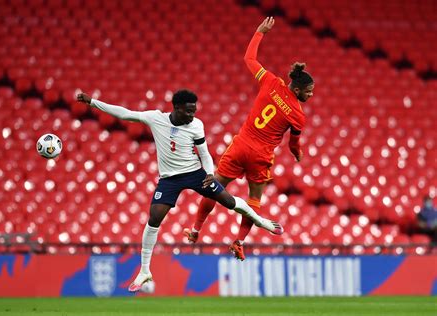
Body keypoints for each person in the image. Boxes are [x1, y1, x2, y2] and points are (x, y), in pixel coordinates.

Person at [76, 90, 282, 292]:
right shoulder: (155, 119)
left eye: (194, 111)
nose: (192, 115)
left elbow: (205, 154)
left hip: (194, 173)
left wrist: (210, 172)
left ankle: (260, 221)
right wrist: (93, 102)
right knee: (154, 217)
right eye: (188, 111)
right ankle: (144, 271)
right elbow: (124, 113)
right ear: (176, 108)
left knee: (228, 202)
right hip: (169, 179)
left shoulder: (196, 125)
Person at [183, 17, 315, 261]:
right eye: (308, 91)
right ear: (296, 90)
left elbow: (249, 59)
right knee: (254, 198)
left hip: (241, 145)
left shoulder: (271, 82)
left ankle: (195, 229)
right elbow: (293, 143)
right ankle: (239, 241)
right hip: (260, 156)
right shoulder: (298, 115)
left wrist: (259, 33)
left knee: (213, 187)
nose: (311, 94)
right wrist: (297, 153)